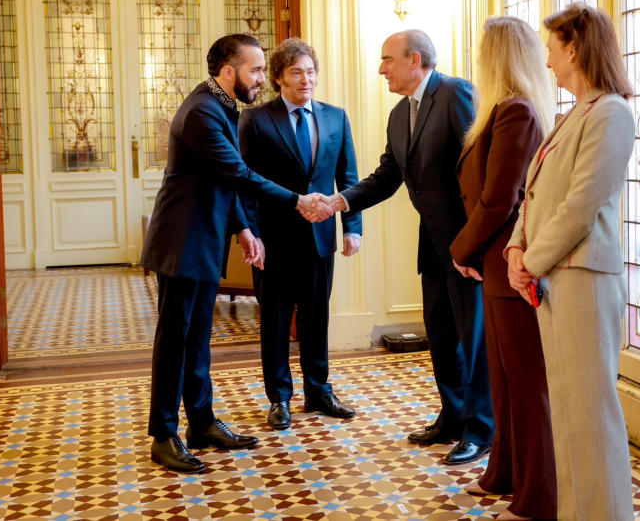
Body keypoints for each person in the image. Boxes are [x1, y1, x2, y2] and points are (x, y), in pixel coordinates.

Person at [141, 34, 331, 473]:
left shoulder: (222, 105)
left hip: (203, 241)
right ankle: (164, 435)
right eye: (257, 70)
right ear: (229, 72)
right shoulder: (202, 113)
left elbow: (222, 181)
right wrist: (297, 200)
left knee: (197, 339)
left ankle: (201, 422)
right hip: (181, 242)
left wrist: (244, 228)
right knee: (175, 341)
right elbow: (239, 173)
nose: (263, 79)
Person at [322, 30, 495, 465]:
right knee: (441, 337)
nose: (382, 69)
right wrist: (340, 201)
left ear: (414, 59)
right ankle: (452, 419)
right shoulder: (400, 114)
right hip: (432, 248)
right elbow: (387, 176)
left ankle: (481, 430)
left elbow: (478, 167)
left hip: (467, 247)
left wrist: (475, 242)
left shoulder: (456, 93)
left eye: (387, 60)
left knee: (472, 341)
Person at [506, 3, 635, 520]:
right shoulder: (573, 112)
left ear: (575, 49)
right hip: (556, 276)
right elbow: (536, 195)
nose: (547, 63)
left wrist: (530, 261)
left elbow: (580, 205)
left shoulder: (611, 111)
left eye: (552, 51)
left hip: (584, 278)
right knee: (567, 411)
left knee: (592, 412)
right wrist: (517, 248)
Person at [451, 17, 557, 521]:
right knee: (503, 380)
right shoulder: (498, 110)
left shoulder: (516, 111)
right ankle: (505, 472)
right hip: (494, 267)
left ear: (497, 56)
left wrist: (460, 250)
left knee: (527, 383)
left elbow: (499, 200)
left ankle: (538, 495)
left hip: (512, 266)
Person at [238, 38, 362, 430]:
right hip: (274, 240)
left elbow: (349, 178)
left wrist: (352, 228)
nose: (306, 79)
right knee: (274, 321)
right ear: (278, 78)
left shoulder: (336, 117)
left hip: (321, 238)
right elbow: (246, 183)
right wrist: (252, 235)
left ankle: (319, 390)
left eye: (311, 72)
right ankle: (279, 398)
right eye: (296, 73)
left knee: (316, 317)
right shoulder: (255, 120)